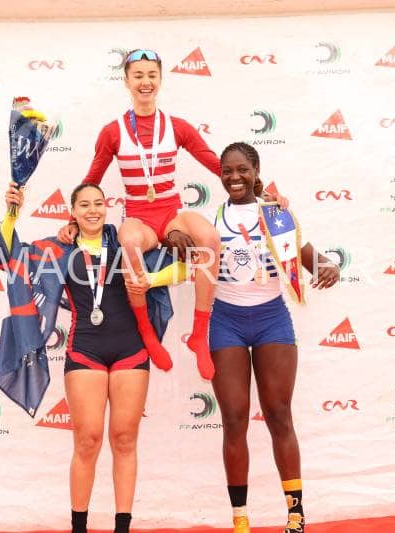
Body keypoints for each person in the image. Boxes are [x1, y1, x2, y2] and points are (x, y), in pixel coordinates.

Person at [129, 143, 338, 532]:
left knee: (279, 414)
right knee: (235, 418)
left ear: (256, 170)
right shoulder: (213, 222)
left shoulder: (276, 215)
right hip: (226, 321)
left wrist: (330, 267)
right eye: (227, 171)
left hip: (272, 319)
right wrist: (170, 246)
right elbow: (181, 250)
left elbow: (313, 259)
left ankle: (295, 515)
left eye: (242, 169)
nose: (235, 177)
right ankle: (240, 519)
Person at [58, 49, 286, 381]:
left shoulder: (176, 127)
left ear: (160, 80)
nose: (145, 82)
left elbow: (216, 164)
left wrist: (264, 194)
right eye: (138, 75)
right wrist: (71, 221)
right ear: (126, 82)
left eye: (152, 75)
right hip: (139, 215)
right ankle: (147, 334)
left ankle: (199, 335)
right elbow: (93, 177)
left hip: (170, 213)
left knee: (209, 238)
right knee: (129, 243)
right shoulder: (113, 132)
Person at [0, 181, 180, 533]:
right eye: (84, 205)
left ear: (106, 207)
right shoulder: (60, 249)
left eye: (98, 203)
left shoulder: (127, 241)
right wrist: (12, 213)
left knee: (124, 439)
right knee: (87, 441)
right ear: (73, 212)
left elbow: (186, 265)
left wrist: (152, 279)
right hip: (85, 350)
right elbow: (8, 257)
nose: (93, 210)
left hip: (131, 350)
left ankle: (122, 528)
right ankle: (79, 528)